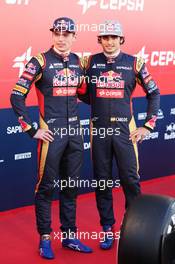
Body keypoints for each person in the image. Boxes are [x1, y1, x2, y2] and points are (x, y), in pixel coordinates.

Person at [10, 17, 92, 259]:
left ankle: (69, 236)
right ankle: (45, 238)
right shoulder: (39, 61)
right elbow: (16, 96)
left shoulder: (79, 62)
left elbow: (87, 95)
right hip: (51, 135)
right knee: (46, 188)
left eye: (67, 34)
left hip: (75, 135)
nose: (61, 37)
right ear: (52, 35)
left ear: (74, 37)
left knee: (70, 187)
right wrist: (31, 128)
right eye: (57, 33)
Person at [80, 20, 160, 250]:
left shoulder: (135, 63)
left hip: (126, 132)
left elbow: (154, 93)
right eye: (105, 37)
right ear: (100, 40)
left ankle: (135, 228)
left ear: (121, 39)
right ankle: (107, 228)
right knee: (102, 182)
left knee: (130, 181)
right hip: (100, 131)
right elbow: (83, 93)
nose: (109, 41)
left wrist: (148, 125)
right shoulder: (89, 62)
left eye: (113, 37)